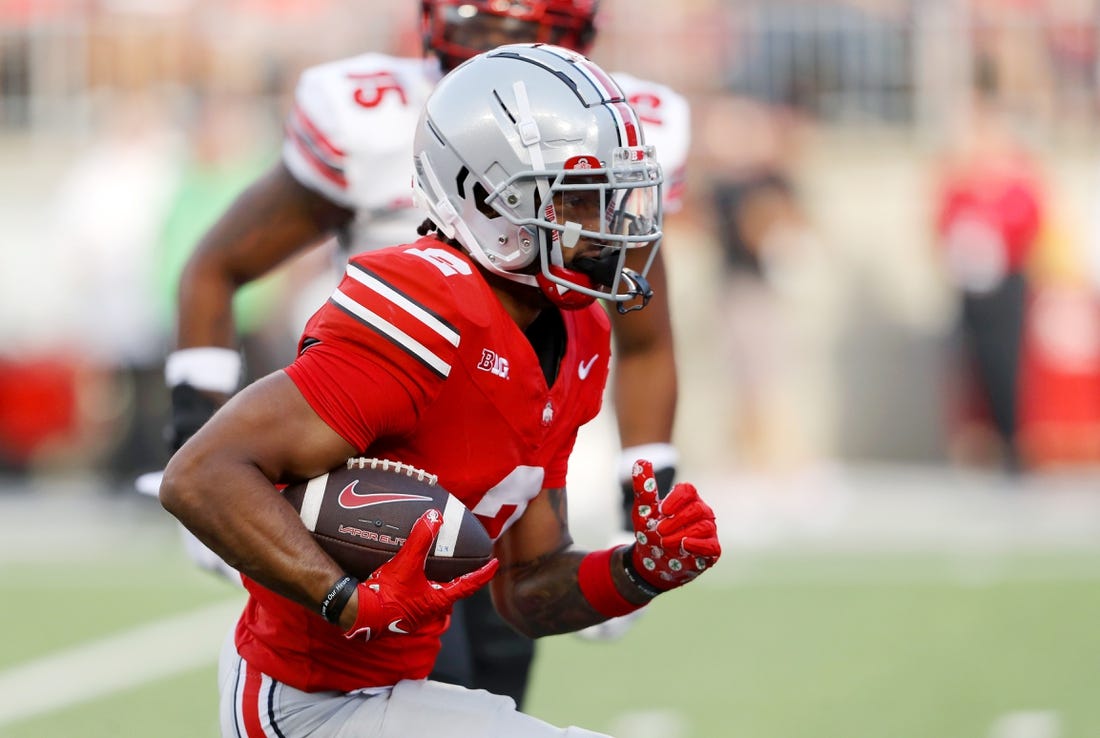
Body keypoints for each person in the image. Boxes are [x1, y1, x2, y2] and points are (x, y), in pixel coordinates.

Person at [160, 43, 720, 737]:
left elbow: (527, 587)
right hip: (305, 701)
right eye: (579, 199)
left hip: (396, 691)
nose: (609, 228)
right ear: (491, 199)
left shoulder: (577, 336)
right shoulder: (425, 307)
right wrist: (346, 600)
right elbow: (200, 474)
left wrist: (637, 569)